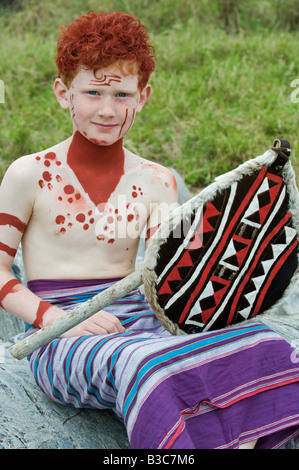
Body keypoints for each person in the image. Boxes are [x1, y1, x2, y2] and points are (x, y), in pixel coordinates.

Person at [0, 10, 299, 449]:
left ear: (143, 96)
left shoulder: (157, 181)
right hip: (59, 335)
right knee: (147, 368)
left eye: (122, 94)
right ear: (64, 93)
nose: (107, 109)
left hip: (145, 318)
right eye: (93, 92)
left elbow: (180, 271)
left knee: (267, 343)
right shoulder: (30, 174)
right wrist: (54, 319)